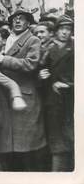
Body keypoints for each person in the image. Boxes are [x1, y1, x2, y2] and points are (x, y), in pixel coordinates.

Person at [0, 9, 46, 171]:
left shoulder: (33, 40)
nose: (17, 21)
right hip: (8, 95)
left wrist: (3, 59)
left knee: (25, 146)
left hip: (24, 95)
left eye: (22, 19)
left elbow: (31, 64)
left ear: (28, 23)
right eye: (15, 19)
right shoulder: (10, 39)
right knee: (11, 145)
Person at [39, 15, 74, 171]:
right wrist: (41, 76)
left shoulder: (76, 47)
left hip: (72, 100)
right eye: (62, 29)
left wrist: (69, 84)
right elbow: (40, 70)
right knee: (56, 139)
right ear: (56, 31)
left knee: (71, 137)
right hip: (53, 101)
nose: (65, 32)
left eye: (68, 29)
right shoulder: (49, 49)